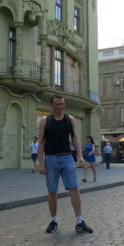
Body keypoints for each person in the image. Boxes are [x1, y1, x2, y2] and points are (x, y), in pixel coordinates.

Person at [37, 95, 93, 234]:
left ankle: (79, 221)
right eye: (57, 104)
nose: (60, 106)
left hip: (67, 158)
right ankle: (53, 220)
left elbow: (75, 139)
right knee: (52, 190)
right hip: (50, 159)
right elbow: (41, 142)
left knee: (74, 187)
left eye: (62, 104)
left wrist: (79, 156)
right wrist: (40, 162)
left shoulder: (70, 119)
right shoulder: (45, 121)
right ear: (52, 105)